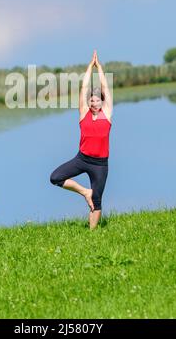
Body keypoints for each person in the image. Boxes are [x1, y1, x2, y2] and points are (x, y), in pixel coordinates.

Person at [50, 50, 113, 230]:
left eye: (97, 101)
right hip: (82, 159)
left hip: (100, 164)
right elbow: (84, 88)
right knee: (55, 178)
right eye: (91, 101)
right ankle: (85, 192)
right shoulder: (83, 114)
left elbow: (106, 89)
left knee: (97, 200)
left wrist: (99, 68)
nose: (94, 104)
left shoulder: (106, 115)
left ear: (102, 103)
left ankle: (92, 235)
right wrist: (89, 68)